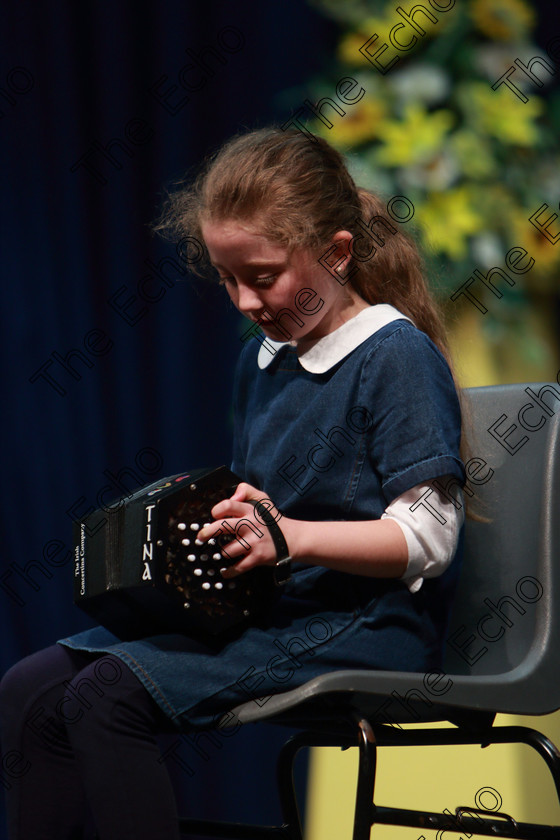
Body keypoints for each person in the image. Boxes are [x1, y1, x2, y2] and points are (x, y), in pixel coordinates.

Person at [0, 127, 466, 839]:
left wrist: (292, 538)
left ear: (338, 255)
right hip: (276, 614)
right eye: (226, 278)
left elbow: (429, 539)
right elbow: (262, 501)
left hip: (366, 627)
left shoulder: (394, 354)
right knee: (28, 690)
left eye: (263, 276)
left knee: (106, 696)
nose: (244, 300)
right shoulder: (264, 361)